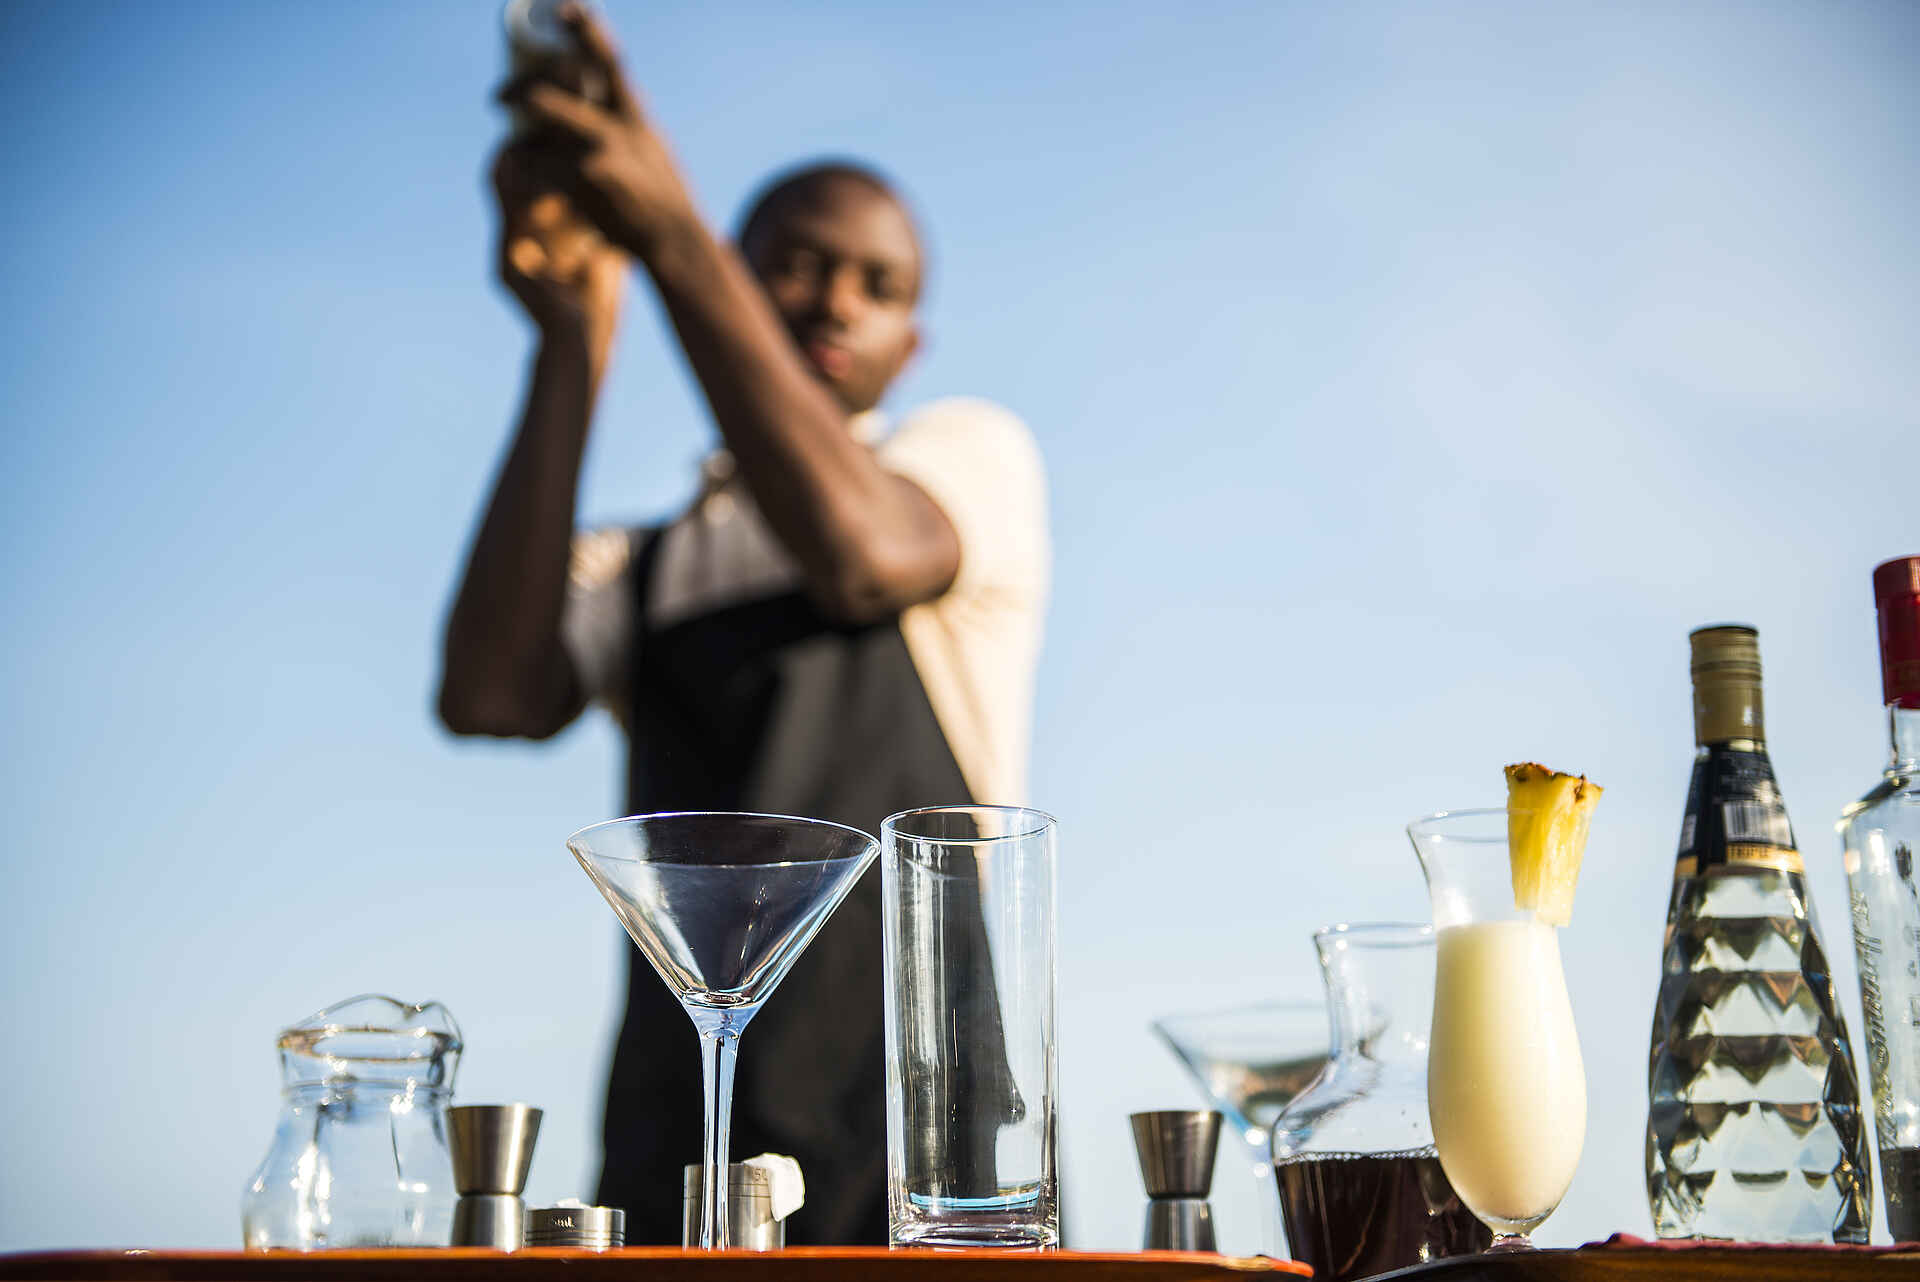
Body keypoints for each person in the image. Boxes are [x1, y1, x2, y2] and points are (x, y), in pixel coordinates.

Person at [436, 4, 1048, 1244]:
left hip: (928, 1149)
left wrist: (664, 228)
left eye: (878, 287)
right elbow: (493, 697)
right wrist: (573, 339)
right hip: (678, 1135)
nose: (834, 300)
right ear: (738, 272)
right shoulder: (646, 561)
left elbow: (864, 555)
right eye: (795, 262)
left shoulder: (962, 463)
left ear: (913, 343)